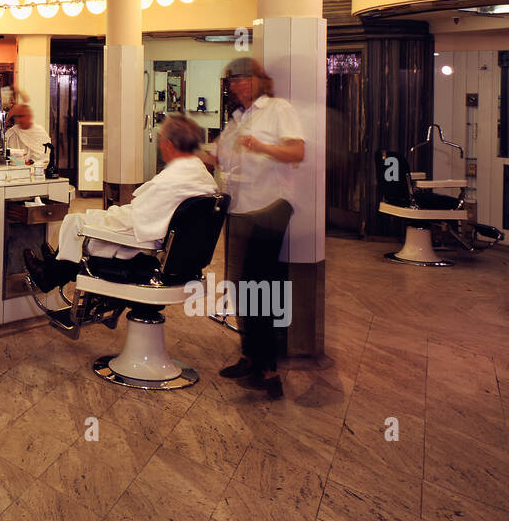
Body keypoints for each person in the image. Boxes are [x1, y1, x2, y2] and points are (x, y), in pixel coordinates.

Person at [23, 115, 217, 291]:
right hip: (182, 258)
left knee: (79, 221)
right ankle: (57, 263)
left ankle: (53, 273)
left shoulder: (173, 179)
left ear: (168, 144)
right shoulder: (202, 176)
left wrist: (105, 217)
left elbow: (135, 221)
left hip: (147, 247)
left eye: (159, 143)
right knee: (94, 217)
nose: (159, 148)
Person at [214, 57, 305, 400]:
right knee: (242, 287)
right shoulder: (237, 120)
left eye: (243, 79)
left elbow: (297, 152)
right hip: (240, 208)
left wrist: (262, 146)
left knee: (262, 286)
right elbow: (222, 159)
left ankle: (269, 372)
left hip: (270, 207)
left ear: (259, 80)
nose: (237, 85)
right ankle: (250, 357)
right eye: (233, 81)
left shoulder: (278, 108)